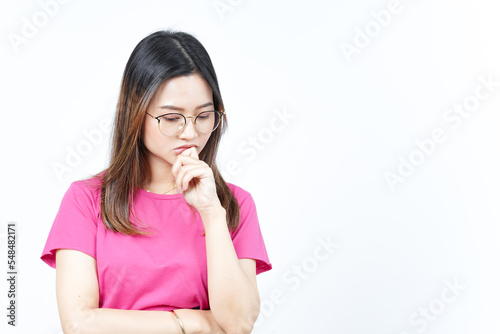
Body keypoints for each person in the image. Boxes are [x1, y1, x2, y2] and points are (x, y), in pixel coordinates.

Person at [40, 30, 272, 334]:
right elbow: (79, 324)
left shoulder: (234, 204)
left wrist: (212, 214)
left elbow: (238, 324)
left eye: (203, 116)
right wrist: (191, 323)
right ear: (136, 113)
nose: (190, 133)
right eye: (172, 118)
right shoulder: (86, 200)